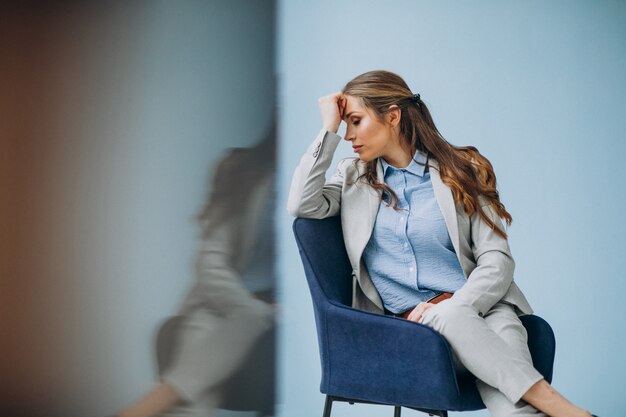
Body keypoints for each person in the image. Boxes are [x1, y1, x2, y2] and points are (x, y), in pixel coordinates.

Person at [287, 70, 596, 417]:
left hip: (480, 308)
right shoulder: (353, 177)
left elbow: (497, 259)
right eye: (344, 125)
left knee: (509, 376)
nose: (349, 135)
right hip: (412, 333)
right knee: (486, 347)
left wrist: (459, 305)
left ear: (392, 116)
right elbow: (301, 204)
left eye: (355, 122)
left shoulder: (461, 171)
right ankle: (563, 407)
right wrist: (326, 128)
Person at [116, 126, 277, 417]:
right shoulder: (245, 170)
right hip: (226, 302)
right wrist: (246, 308)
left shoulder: (334, 179)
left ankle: (157, 399)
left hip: (282, 312)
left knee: (242, 324)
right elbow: (210, 263)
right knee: (205, 335)